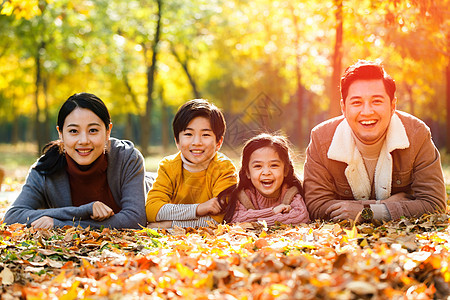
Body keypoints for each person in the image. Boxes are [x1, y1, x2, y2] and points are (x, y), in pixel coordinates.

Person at [303, 60, 446, 223]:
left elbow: (434, 203)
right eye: (356, 102)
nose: (367, 112)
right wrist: (384, 205)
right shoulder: (321, 139)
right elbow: (315, 205)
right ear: (343, 107)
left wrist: (370, 212)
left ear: (393, 106)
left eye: (376, 101)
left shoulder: (417, 134)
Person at [3, 93, 149, 229]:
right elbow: (13, 216)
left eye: (93, 130)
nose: (84, 140)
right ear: (61, 134)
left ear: (107, 132)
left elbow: (135, 218)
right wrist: (84, 210)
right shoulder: (45, 169)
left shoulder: (127, 158)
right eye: (73, 131)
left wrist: (60, 224)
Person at [146, 99, 237, 228]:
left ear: (219, 142)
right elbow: (151, 209)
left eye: (205, 134)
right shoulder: (168, 166)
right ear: (177, 141)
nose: (196, 142)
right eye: (188, 134)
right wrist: (198, 209)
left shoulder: (224, 169)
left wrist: (167, 225)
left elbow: (218, 221)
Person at [219, 133, 310, 226]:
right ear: (248, 172)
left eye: (274, 165)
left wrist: (258, 223)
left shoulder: (290, 193)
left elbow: (300, 217)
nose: (266, 172)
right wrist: (272, 212)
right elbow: (236, 219)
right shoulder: (245, 196)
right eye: (258, 166)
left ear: (285, 170)